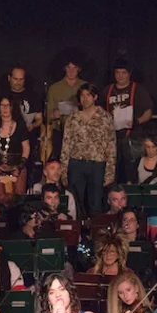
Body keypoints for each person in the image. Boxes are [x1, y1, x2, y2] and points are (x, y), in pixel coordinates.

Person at [61, 83, 115, 220]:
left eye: (88, 95)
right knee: (76, 203)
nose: (85, 99)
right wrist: (64, 170)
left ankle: (95, 231)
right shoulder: (73, 118)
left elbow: (111, 145)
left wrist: (110, 172)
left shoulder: (105, 117)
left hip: (97, 164)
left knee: (96, 204)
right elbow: (66, 144)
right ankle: (77, 231)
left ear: (95, 97)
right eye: (82, 95)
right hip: (76, 163)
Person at [104, 59, 155, 184]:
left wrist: (137, 121)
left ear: (129, 74)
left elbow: (148, 112)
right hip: (112, 138)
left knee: (132, 173)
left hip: (133, 138)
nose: (120, 76)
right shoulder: (107, 90)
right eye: (117, 73)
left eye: (123, 73)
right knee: (112, 174)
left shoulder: (138, 89)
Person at [0, 96, 30, 205]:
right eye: (2, 105)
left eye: (8, 105)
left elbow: (26, 148)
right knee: (0, 199)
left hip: (16, 169)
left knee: (18, 199)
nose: (5, 108)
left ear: (13, 107)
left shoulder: (20, 125)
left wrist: (19, 166)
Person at [45, 57, 88, 130]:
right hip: (60, 130)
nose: (71, 71)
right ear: (65, 68)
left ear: (79, 69)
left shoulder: (86, 86)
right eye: (68, 67)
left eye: (74, 68)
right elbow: (47, 115)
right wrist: (53, 115)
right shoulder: (54, 88)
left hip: (82, 130)